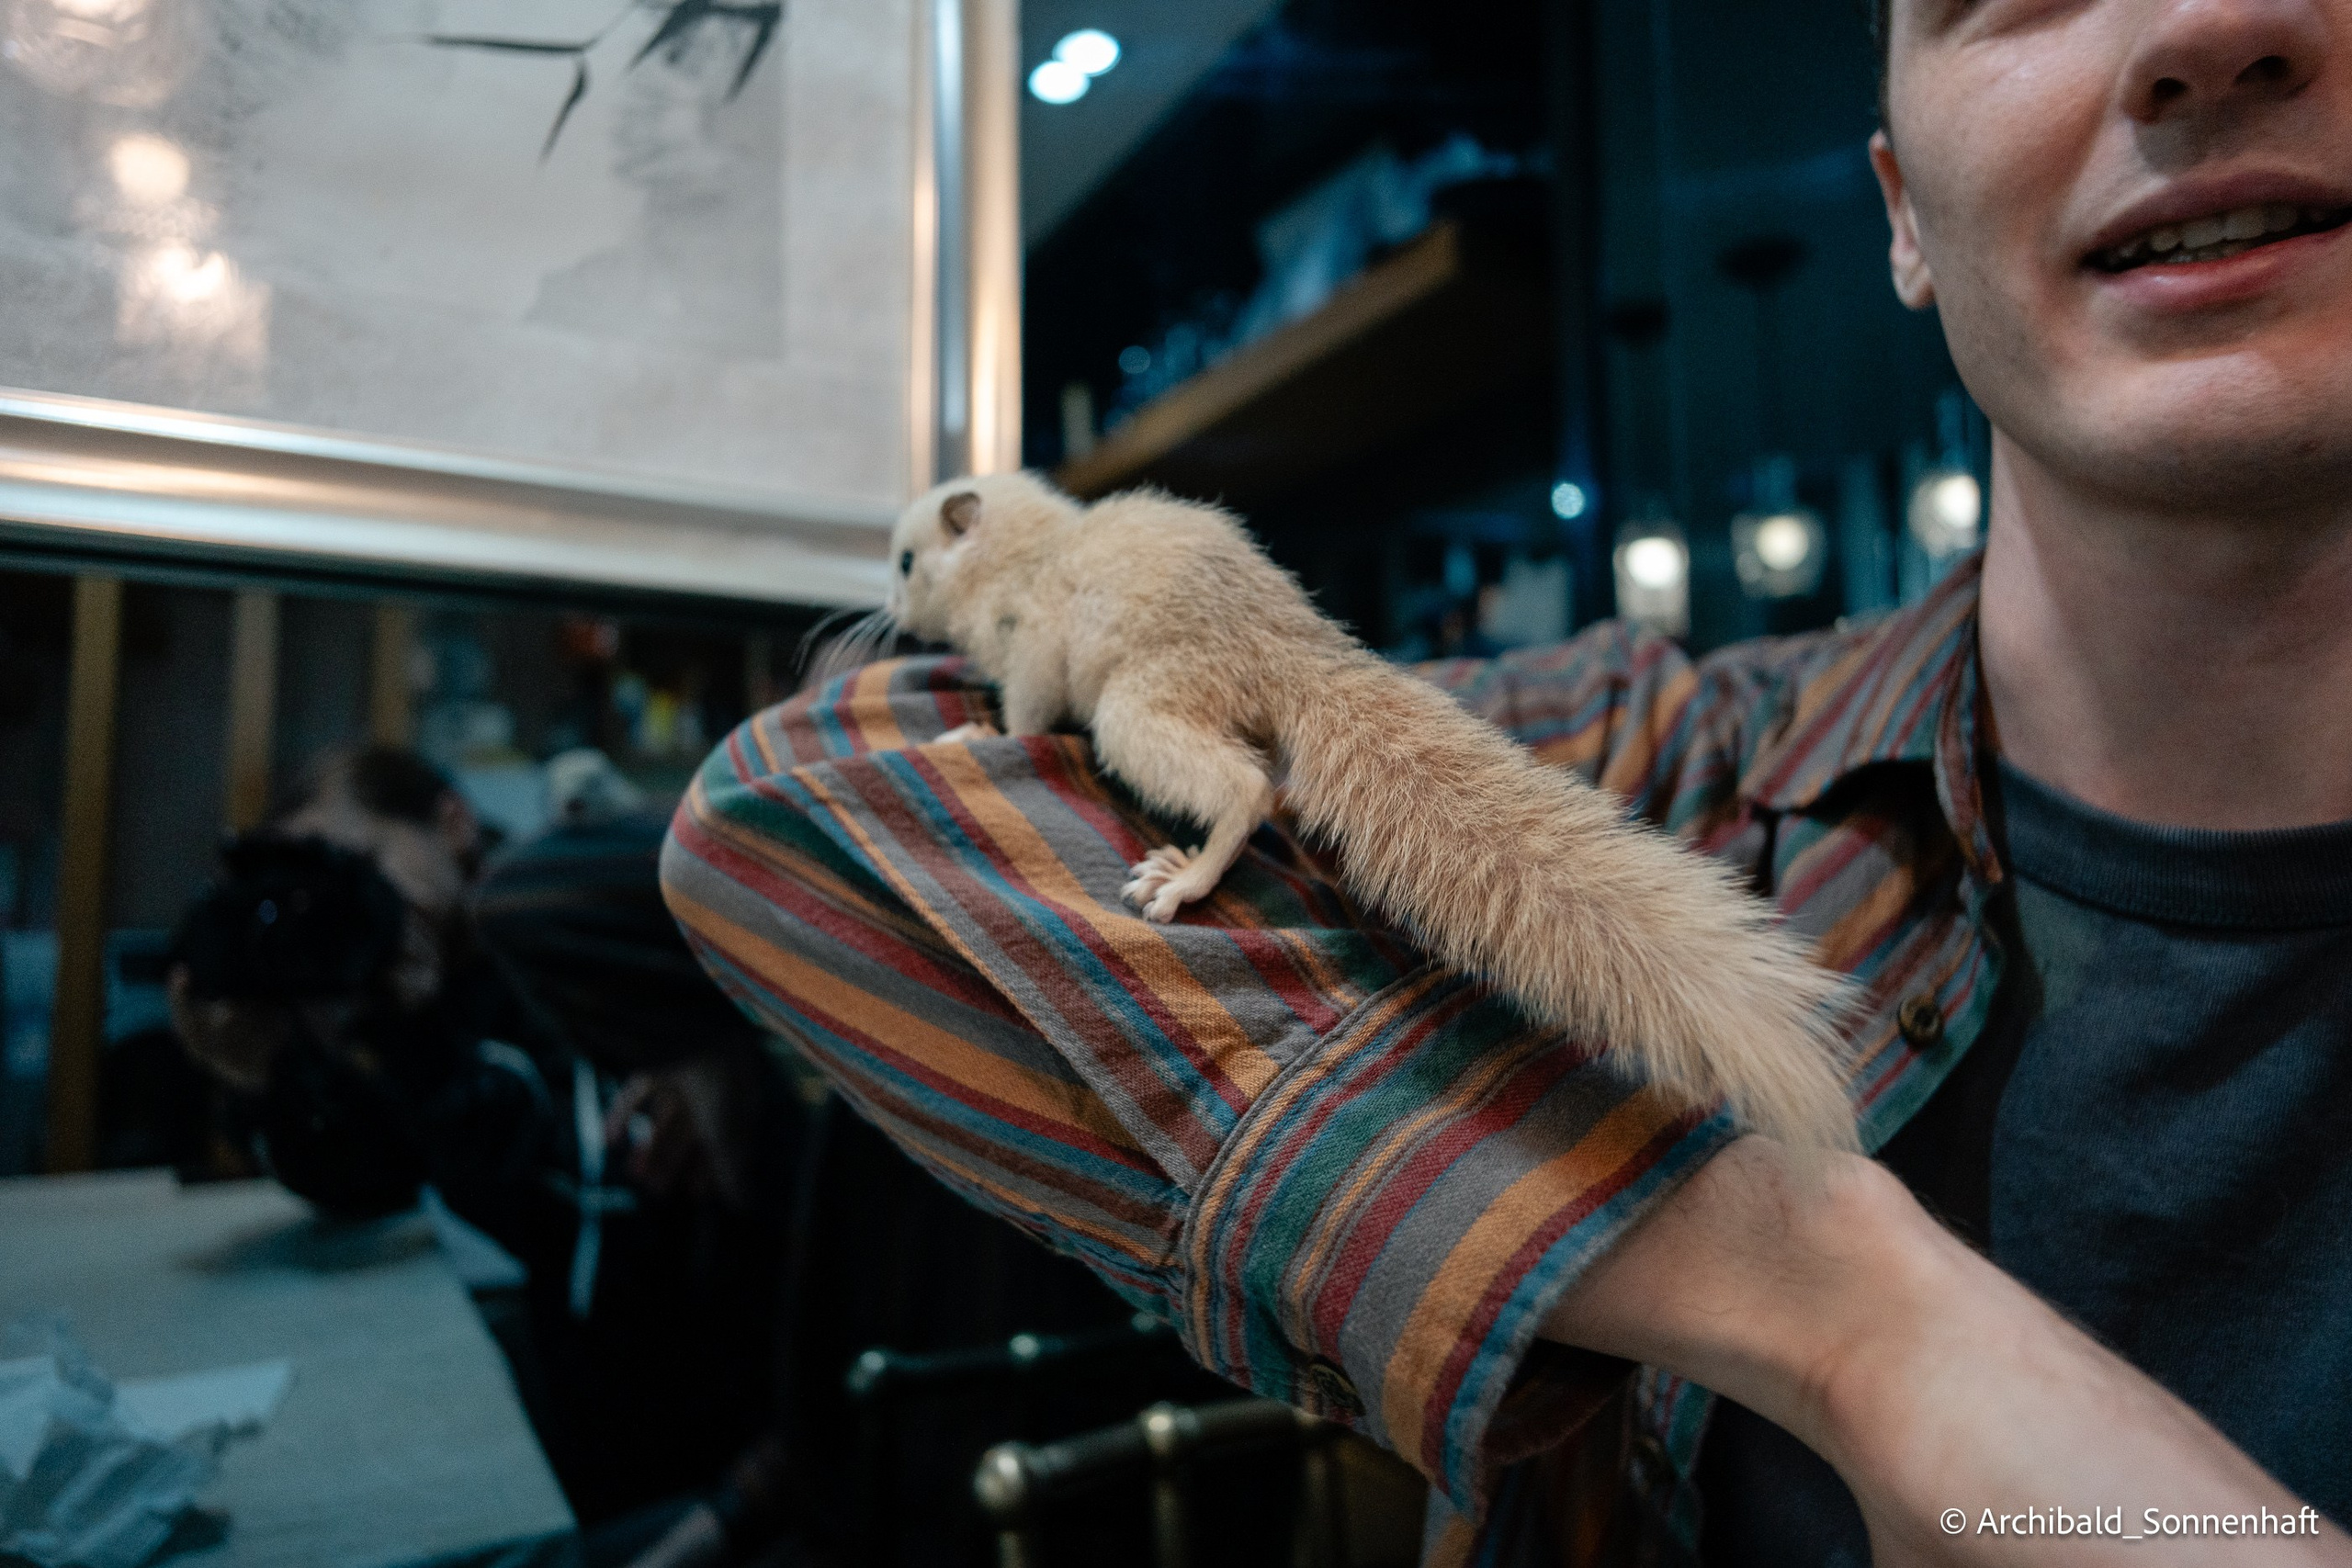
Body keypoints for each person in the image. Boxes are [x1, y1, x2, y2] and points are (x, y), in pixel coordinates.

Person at [661, 1, 2352, 1564]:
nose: (2205, 29)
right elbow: (791, 806)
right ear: (1903, 213)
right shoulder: (1667, 758)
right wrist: (1847, 1311)